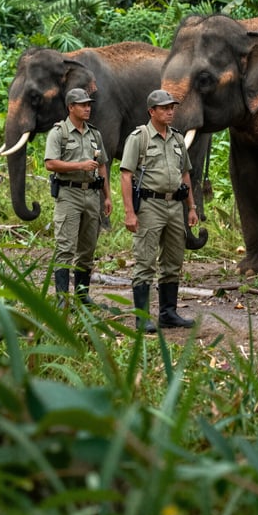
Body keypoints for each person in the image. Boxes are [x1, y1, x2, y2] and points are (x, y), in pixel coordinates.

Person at [120, 89, 198, 333]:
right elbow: (126, 175)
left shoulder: (177, 139)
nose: (170, 111)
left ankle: (168, 313)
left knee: (173, 260)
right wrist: (130, 212)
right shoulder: (139, 137)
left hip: (175, 205)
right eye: (165, 108)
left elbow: (185, 173)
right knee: (145, 260)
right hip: (150, 205)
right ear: (151, 111)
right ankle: (142, 317)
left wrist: (192, 207)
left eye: (172, 107)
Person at [44, 87, 112, 307]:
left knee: (88, 248)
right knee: (65, 246)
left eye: (89, 104)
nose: (87, 108)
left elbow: (102, 166)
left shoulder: (95, 134)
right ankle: (62, 299)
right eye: (82, 104)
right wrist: (79, 165)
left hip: (92, 195)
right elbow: (50, 163)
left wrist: (107, 197)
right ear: (70, 107)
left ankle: (82, 296)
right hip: (68, 194)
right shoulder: (59, 133)